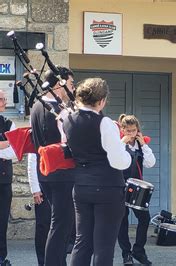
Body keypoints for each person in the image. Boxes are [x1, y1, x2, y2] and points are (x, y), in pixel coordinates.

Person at [63, 78, 131, 266]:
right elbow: (119, 162)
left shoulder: (67, 120)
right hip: (107, 187)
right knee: (104, 245)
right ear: (101, 101)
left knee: (82, 242)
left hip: (81, 186)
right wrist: (126, 152)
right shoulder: (105, 122)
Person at [28, 67, 76, 266]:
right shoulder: (56, 109)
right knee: (60, 226)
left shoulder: (36, 107)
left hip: (46, 172)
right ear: (59, 84)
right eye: (71, 84)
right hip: (61, 172)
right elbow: (68, 141)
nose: (72, 89)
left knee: (57, 225)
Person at [117, 114, 156, 265]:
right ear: (123, 130)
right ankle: (126, 254)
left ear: (137, 130)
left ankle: (138, 250)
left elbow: (150, 163)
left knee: (144, 219)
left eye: (133, 131)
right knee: (122, 221)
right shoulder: (118, 144)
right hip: (120, 186)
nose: (131, 134)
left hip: (137, 187)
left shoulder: (141, 145)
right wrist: (122, 142)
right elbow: (113, 159)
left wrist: (144, 144)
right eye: (128, 131)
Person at [0, 90, 17, 266]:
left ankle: (1, 257)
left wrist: (6, 147)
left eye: (5, 99)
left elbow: (14, 152)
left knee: (2, 221)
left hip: (3, 180)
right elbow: (7, 147)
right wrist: (2, 144)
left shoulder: (8, 124)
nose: (4, 102)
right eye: (1, 99)